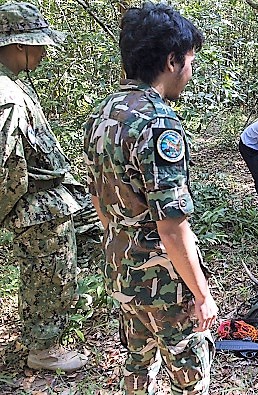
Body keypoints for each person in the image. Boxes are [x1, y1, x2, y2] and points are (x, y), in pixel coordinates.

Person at [83, 3, 217, 393]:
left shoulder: (102, 113)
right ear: (172, 60)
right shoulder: (158, 122)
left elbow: (100, 201)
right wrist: (202, 294)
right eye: (190, 61)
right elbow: (172, 228)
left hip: (119, 268)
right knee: (188, 378)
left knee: (138, 364)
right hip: (162, 281)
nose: (190, 72)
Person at [0, 2, 89, 372]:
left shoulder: (12, 85)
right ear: (19, 44)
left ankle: (42, 340)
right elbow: (6, 168)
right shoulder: (6, 93)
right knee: (48, 278)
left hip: (47, 203)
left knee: (52, 275)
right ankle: (43, 350)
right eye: (39, 43)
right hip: (36, 208)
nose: (44, 51)